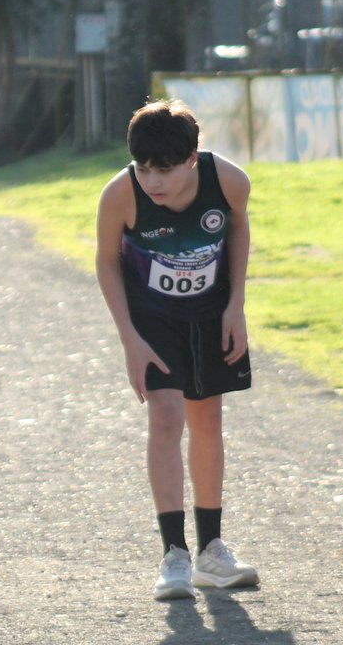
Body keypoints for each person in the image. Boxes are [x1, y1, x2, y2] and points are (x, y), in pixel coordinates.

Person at [94, 99, 258, 602]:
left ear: (191, 159)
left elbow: (237, 230)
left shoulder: (230, 182)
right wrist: (130, 340)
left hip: (210, 314)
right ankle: (175, 557)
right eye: (144, 169)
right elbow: (105, 263)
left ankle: (212, 552)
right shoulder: (121, 196)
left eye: (164, 170)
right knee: (166, 418)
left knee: (208, 421)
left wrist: (236, 307)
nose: (153, 182)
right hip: (152, 319)